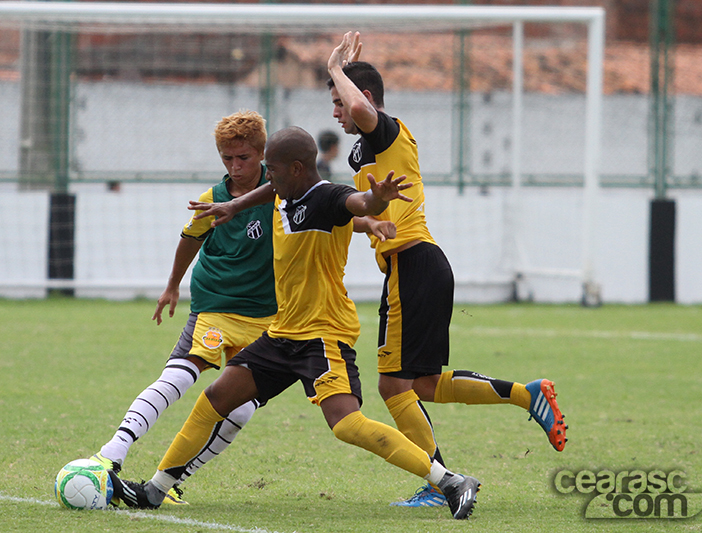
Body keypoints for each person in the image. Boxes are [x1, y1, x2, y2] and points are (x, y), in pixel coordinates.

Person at [107, 126, 481, 520]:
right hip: (282, 333)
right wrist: (234, 207)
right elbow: (273, 192)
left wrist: (375, 202)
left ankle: (451, 481)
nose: (268, 178)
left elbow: (355, 202)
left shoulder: (328, 196)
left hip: (322, 335)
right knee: (216, 399)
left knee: (346, 424)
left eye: (274, 171)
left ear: (299, 169)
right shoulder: (287, 193)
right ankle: (154, 490)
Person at [326, 32, 568, 507]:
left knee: (393, 385)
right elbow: (364, 213)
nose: (335, 112)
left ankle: (439, 483)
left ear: (365, 98)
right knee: (423, 385)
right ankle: (528, 395)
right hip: (419, 265)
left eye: (337, 101)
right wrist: (360, 220)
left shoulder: (387, 128)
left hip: (413, 266)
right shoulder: (365, 152)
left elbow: (359, 112)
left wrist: (336, 69)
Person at [90, 110, 277, 505]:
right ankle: (110, 454)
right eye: (227, 158)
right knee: (180, 376)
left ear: (261, 153)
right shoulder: (212, 199)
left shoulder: (282, 191)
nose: (235, 166)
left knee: (240, 411)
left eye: (243, 158)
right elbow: (189, 239)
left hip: (266, 316)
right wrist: (172, 285)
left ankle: (172, 479)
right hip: (216, 305)